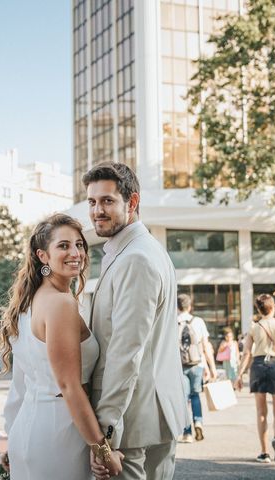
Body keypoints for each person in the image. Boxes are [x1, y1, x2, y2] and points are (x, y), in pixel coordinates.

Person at [83, 162, 187, 480]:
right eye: (92, 202)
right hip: (151, 416)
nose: (97, 210)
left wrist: (105, 436)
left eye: (107, 201)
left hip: (133, 424)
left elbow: (127, 351)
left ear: (132, 202)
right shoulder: (140, 250)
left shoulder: (137, 258)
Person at [0, 213, 121, 479]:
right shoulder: (60, 304)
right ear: (43, 256)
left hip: (29, 429)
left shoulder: (26, 305)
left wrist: (12, 435)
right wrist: (102, 450)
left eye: (79, 244)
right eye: (63, 246)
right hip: (59, 432)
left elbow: (20, 384)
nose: (75, 252)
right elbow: (69, 386)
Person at [234, 293, 275, 464]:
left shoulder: (254, 327)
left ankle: (264, 452)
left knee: (261, 412)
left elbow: (246, 353)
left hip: (259, 366)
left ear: (258, 309)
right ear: (273, 306)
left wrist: (239, 375)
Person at [176, 293, 217, 443]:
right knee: (195, 395)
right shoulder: (198, 321)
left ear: (177, 307)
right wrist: (211, 368)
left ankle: (187, 433)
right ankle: (198, 421)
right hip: (197, 364)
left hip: (179, 366)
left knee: (184, 398)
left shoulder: (173, 321)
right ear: (190, 306)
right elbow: (205, 346)